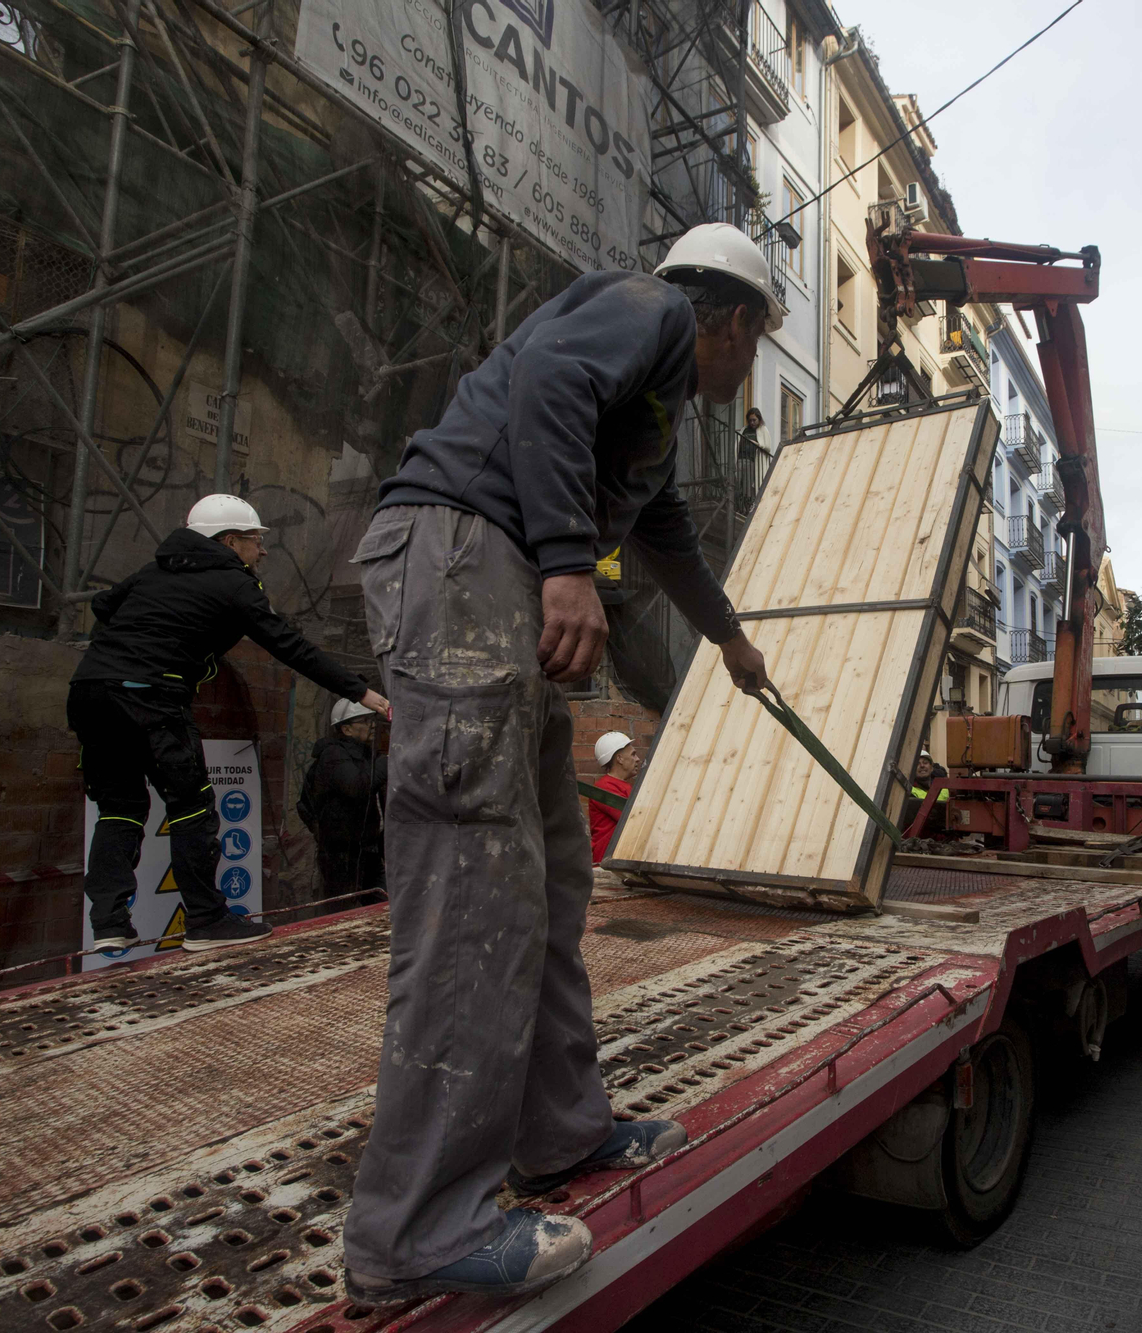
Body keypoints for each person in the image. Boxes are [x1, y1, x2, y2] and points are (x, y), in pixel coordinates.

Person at [344, 222, 779, 1302]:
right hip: (464, 559)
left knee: (543, 876)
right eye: (758, 344)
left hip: (487, 569)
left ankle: (559, 1130)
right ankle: (416, 1229)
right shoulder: (649, 310)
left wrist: (724, 636)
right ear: (727, 318)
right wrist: (565, 565)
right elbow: (545, 379)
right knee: (473, 892)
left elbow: (666, 533)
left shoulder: (654, 406)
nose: (751, 369)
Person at [70, 494, 391, 953]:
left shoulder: (152, 573)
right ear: (228, 540)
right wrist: (360, 691)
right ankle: (205, 920)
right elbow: (289, 646)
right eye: (256, 541)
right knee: (192, 807)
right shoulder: (233, 584)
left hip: (90, 693)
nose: (262, 551)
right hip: (152, 697)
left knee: (120, 807)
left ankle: (108, 923)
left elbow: (104, 605)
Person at [298, 698, 387, 901]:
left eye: (371, 719)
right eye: (364, 720)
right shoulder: (333, 755)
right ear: (346, 730)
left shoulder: (365, 756)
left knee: (380, 908)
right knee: (342, 911)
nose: (372, 724)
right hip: (341, 855)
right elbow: (357, 786)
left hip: (367, 851)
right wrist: (384, 764)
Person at [586, 730, 639, 864]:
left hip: (620, 859)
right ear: (620, 759)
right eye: (633, 754)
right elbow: (633, 820)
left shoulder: (622, 786)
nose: (637, 759)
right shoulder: (604, 788)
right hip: (608, 861)